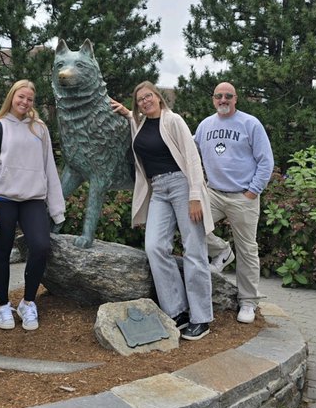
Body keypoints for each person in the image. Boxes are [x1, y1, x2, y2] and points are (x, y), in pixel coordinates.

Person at [110, 82, 214, 341]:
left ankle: (201, 318)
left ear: (158, 97)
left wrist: (194, 196)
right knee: (154, 247)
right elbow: (133, 123)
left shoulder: (174, 120)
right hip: (158, 189)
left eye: (149, 96)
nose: (145, 101)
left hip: (182, 184)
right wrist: (124, 111)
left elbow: (191, 157)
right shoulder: (141, 124)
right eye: (140, 99)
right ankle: (177, 311)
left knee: (194, 250)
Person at [0, 80, 65, 331]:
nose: (24, 102)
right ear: (12, 97)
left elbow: (49, 168)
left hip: (33, 199)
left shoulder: (40, 129)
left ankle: (28, 302)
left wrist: (57, 208)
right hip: (2, 200)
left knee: (41, 247)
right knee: (2, 252)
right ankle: (3, 306)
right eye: (20, 97)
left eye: (29, 99)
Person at [194, 82, 274, 324]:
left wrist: (252, 191)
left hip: (243, 195)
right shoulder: (205, 125)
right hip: (214, 193)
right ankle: (221, 251)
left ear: (236, 99)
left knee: (247, 248)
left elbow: (266, 160)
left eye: (228, 96)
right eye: (219, 96)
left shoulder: (250, 123)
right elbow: (186, 148)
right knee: (191, 224)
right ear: (213, 99)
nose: (223, 100)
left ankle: (248, 301)